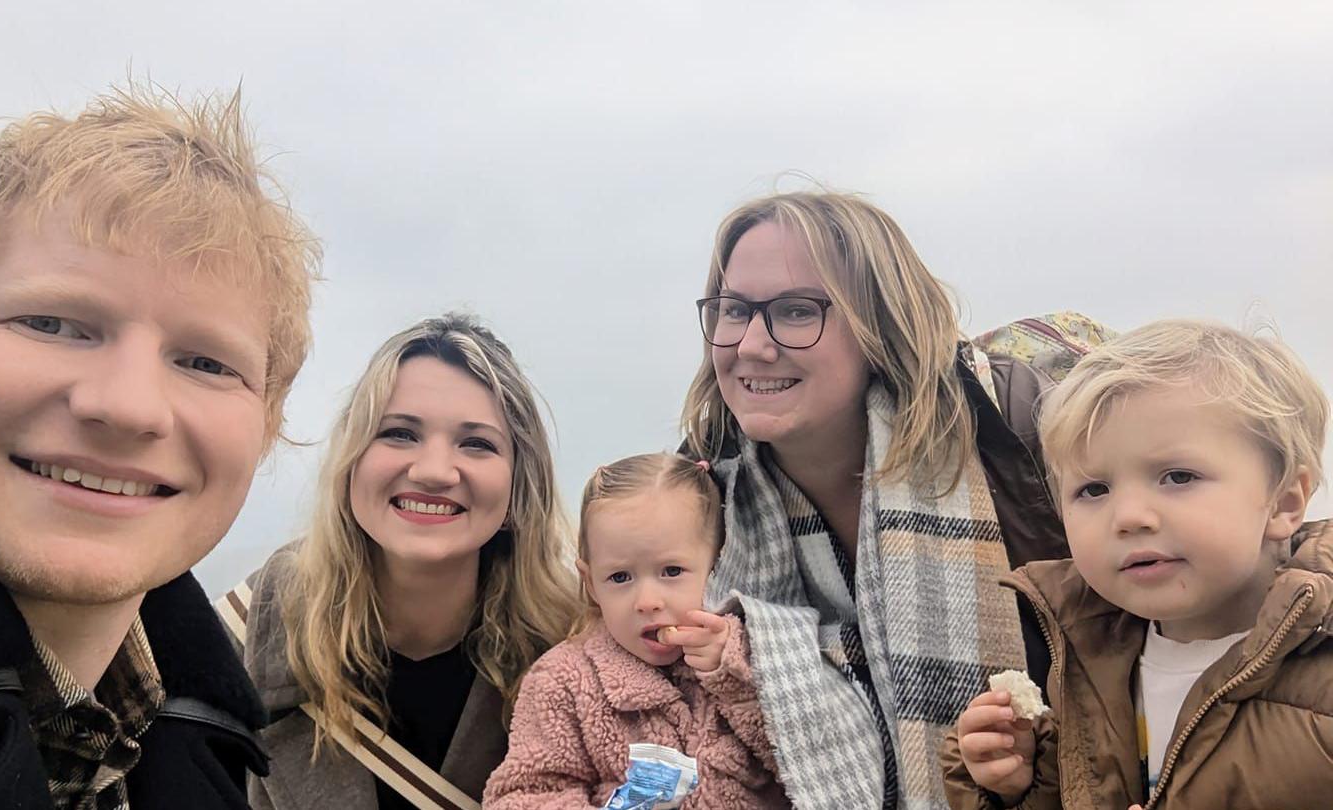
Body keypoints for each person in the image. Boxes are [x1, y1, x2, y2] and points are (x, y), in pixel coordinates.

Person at [0, 83, 319, 809]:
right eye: (52, 323)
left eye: (206, 362)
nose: (128, 406)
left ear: (267, 421)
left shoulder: (205, 741)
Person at [681, 190, 1078, 809]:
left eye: (795, 311)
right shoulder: (700, 490)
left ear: (879, 324)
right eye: (734, 311)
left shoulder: (1019, 432)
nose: (752, 345)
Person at [943, 320, 1332, 810]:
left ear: (1284, 502)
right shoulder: (1080, 659)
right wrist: (1020, 786)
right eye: (1094, 489)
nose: (1128, 517)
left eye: (1177, 477)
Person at [228, 313, 580, 809]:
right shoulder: (236, 641)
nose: (434, 471)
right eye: (399, 433)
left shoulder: (580, 655)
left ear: (519, 484)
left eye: (476, 444)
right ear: (352, 461)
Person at [484, 452, 789, 809]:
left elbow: (809, 762)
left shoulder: (758, 651)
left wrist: (734, 678)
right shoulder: (563, 681)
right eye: (620, 577)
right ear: (591, 583)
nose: (647, 601)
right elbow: (522, 796)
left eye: (672, 571)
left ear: (719, 562)